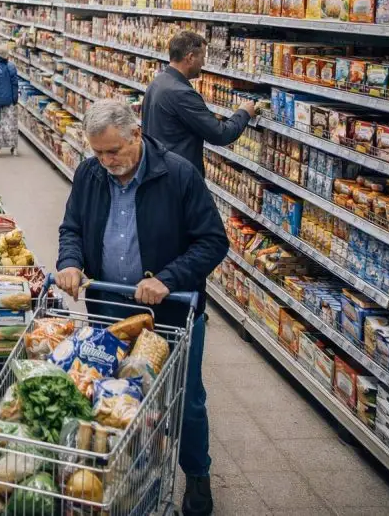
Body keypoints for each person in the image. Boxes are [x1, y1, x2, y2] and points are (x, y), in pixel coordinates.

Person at [54, 99, 227, 516]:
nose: (105, 160)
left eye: (113, 150)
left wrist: (167, 278)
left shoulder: (179, 175)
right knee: (112, 400)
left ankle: (197, 477)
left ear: (136, 134)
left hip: (168, 317)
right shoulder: (90, 173)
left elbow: (213, 241)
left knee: (184, 403)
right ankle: (124, 479)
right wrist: (70, 262)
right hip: (109, 310)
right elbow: (72, 227)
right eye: (97, 152)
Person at [142, 30, 257, 176]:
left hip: (158, 170)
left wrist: (207, 118)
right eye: (202, 57)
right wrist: (244, 112)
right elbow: (221, 134)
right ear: (190, 58)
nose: (203, 63)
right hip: (178, 178)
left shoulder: (157, 83)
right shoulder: (181, 92)